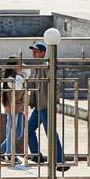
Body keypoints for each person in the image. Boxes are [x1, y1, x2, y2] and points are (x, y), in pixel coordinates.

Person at [25, 41, 70, 171]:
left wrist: (52, 101)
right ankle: (35, 156)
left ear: (43, 53)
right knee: (28, 130)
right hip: (38, 106)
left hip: (46, 105)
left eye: (36, 51)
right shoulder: (38, 67)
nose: (33, 53)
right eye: (33, 51)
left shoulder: (46, 66)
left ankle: (60, 161)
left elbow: (56, 86)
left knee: (50, 133)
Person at [0, 61, 28, 166]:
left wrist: (23, 70)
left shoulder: (19, 76)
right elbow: (18, 86)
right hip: (12, 108)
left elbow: (28, 73)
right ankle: (9, 154)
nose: (21, 67)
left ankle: (1, 150)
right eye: (18, 65)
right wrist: (20, 74)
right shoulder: (11, 78)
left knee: (19, 131)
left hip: (19, 107)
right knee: (12, 131)